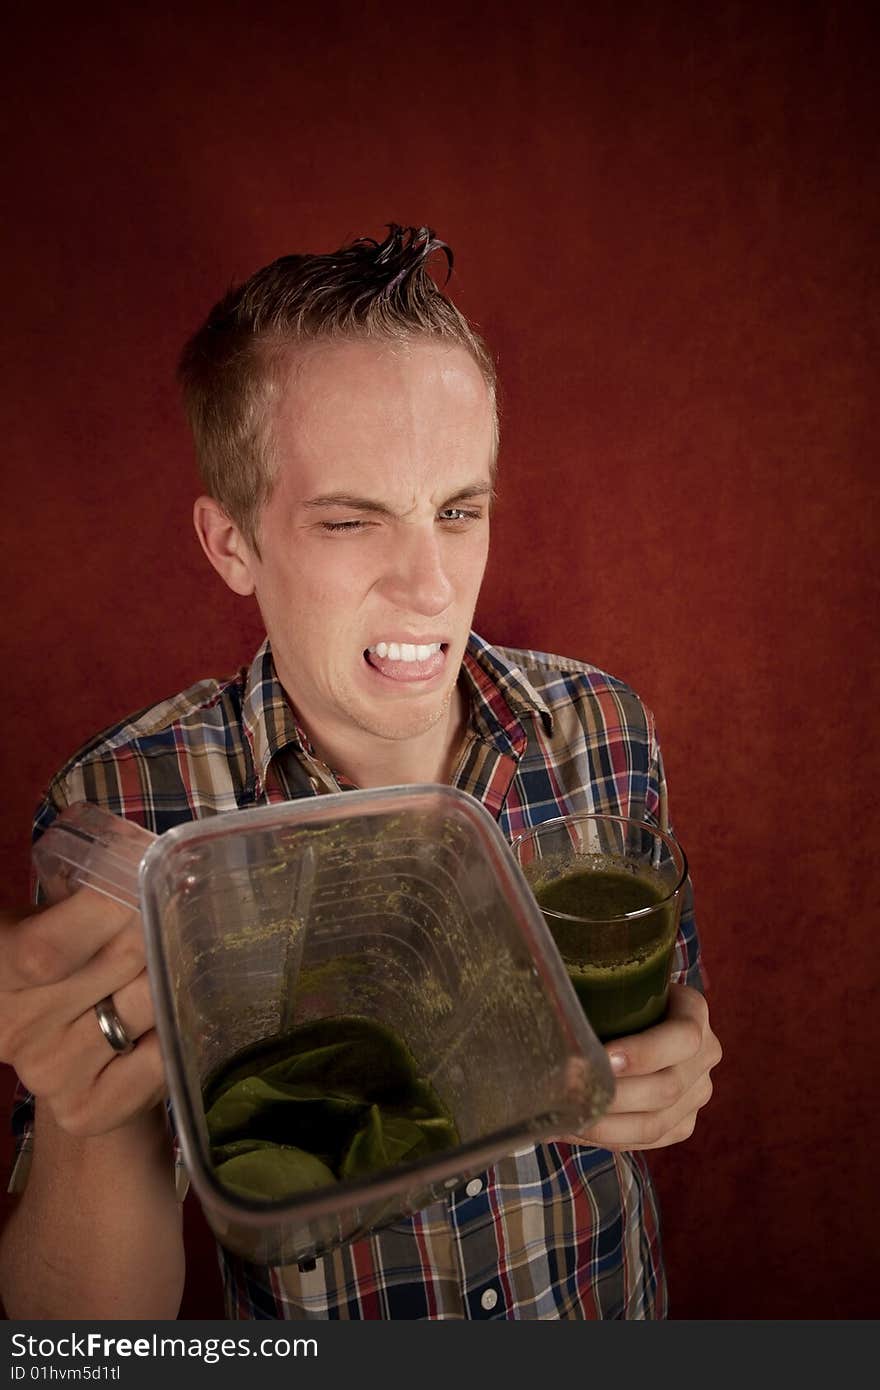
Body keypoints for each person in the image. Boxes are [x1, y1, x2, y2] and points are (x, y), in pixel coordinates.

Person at [0, 225, 721, 1320]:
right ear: (231, 543)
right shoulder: (128, 815)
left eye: (458, 510)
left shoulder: (602, 728)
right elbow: (82, 1340)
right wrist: (82, 1117)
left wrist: (675, 1077)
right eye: (350, 519)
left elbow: (673, 1030)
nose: (431, 584)